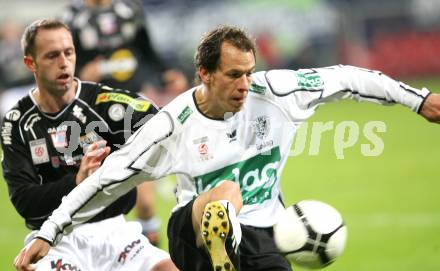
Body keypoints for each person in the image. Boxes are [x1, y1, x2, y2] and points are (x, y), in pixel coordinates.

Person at [13, 25, 440, 271]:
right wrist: (50, 232)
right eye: (234, 74)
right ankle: (222, 236)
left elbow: (349, 78)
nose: (245, 85)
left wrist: (418, 100)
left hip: (267, 234)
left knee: (238, 204)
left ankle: (231, 242)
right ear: (205, 73)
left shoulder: (279, 92)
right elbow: (108, 179)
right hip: (192, 232)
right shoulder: (171, 126)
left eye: (250, 73)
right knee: (225, 194)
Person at [1, 19, 178, 271]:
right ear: (31, 63)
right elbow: (25, 202)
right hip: (55, 241)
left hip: (115, 233)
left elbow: (164, 121)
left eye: (68, 52)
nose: (63, 62)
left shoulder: (105, 103)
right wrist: (77, 182)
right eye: (52, 55)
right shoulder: (17, 123)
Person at [61, 0, 188, 243]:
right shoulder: (73, 17)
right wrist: (78, 75)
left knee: (146, 205)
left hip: (132, 110)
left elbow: (146, 52)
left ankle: (148, 252)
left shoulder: (129, 10)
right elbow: (59, 65)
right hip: (90, 113)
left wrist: (167, 74)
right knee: (96, 199)